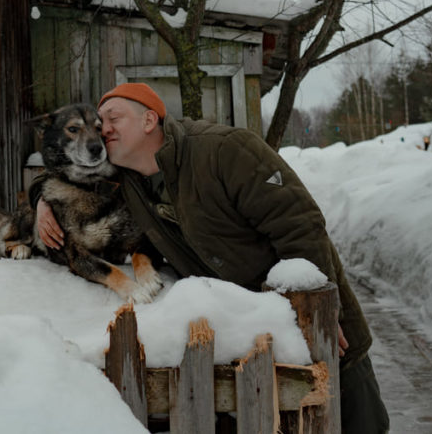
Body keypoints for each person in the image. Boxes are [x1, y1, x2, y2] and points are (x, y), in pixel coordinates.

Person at [37, 82, 389, 433]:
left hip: (322, 334)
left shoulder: (225, 150)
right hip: (249, 342)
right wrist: (40, 199)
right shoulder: (127, 180)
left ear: (148, 120)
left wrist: (326, 313)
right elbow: (60, 172)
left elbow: (299, 226)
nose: (103, 129)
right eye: (100, 123)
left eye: (112, 118)